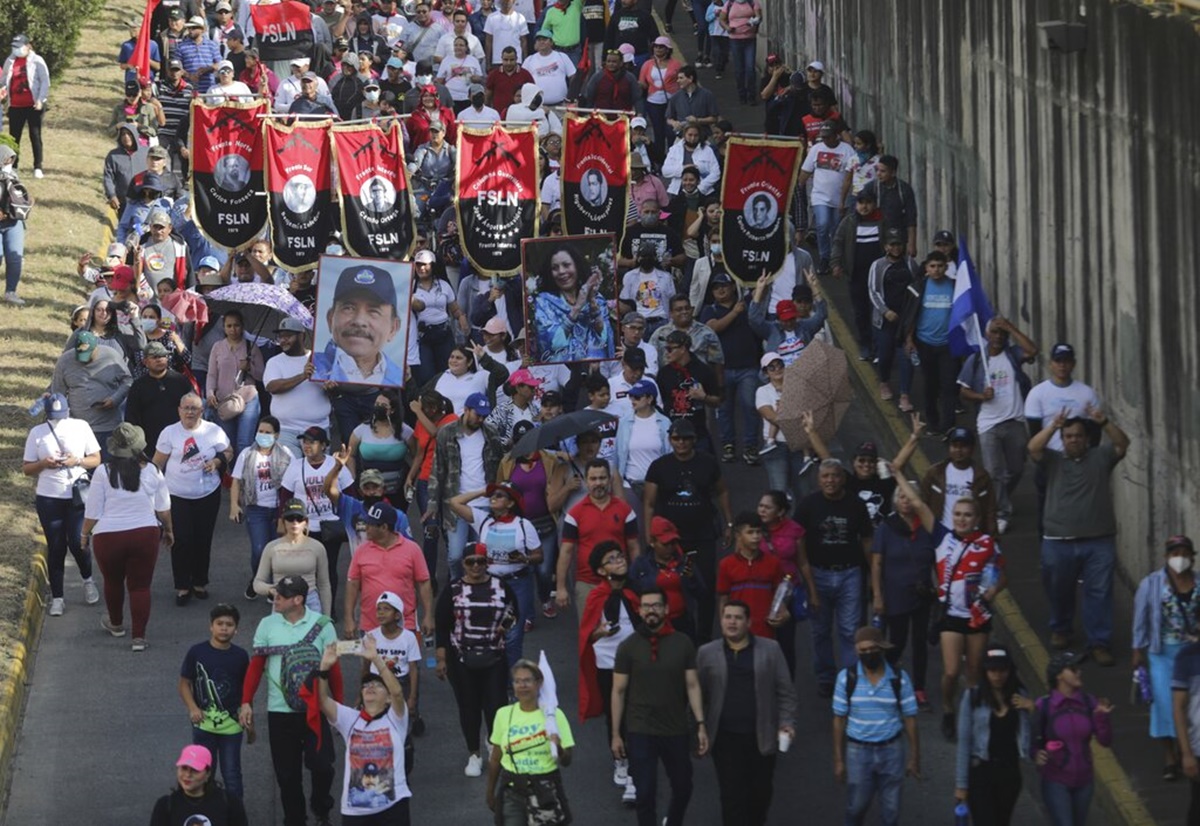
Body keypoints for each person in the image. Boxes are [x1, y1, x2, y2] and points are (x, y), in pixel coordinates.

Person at [894, 470, 1008, 740]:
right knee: (951, 671)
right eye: (957, 514)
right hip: (950, 616)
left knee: (972, 674)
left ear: (977, 519)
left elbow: (1001, 575)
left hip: (977, 617)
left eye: (968, 515)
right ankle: (948, 707)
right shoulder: (942, 537)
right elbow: (920, 505)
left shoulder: (987, 544)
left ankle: (970, 719)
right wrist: (899, 475)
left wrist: (992, 592)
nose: (962, 519)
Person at [1029, 407, 1130, 663]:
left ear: (1087, 438)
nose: (1074, 439)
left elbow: (1122, 444)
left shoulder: (1101, 457)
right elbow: (1033, 448)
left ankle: (1099, 642)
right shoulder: (1053, 460)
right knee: (1058, 589)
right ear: (1062, 440)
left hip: (1099, 541)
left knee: (1099, 592)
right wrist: (1053, 426)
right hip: (1057, 541)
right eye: (1069, 436)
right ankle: (1061, 628)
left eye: (1078, 435)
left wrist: (1105, 422)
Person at [239, 576, 341, 826]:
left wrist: (339, 710)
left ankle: (321, 809)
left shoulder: (324, 624)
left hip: (316, 710)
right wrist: (246, 702)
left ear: (298, 600)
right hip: (279, 712)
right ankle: (295, 820)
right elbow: (256, 666)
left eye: (281, 596)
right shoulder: (267, 624)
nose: (276, 598)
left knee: (323, 767)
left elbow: (334, 670)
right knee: (287, 775)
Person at [611, 586, 708, 826]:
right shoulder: (628, 647)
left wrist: (700, 724)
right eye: (646, 606)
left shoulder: (683, 643)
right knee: (644, 793)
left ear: (666, 609)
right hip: (640, 728)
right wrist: (615, 734)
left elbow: (693, 685)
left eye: (656, 605)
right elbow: (618, 691)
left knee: (683, 786)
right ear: (640, 610)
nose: (650, 610)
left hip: (675, 728)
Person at [697, 600, 796, 826]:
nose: (732, 622)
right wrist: (698, 728)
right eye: (727, 617)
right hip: (725, 738)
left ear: (749, 622)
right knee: (732, 796)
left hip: (761, 735)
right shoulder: (706, 653)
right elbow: (698, 695)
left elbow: (786, 691)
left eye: (738, 617)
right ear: (721, 621)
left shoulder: (771, 649)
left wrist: (787, 722)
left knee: (760, 794)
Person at [83, 423, 173, 652]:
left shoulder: (103, 472)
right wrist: (169, 530)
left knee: (112, 582)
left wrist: (84, 534)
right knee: (140, 587)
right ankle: (139, 638)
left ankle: (116, 624)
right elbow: (163, 509)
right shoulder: (153, 470)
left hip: (108, 537)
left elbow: (92, 511)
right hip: (145, 534)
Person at [644, 418, 732, 641]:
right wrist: (649, 534)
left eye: (686, 438)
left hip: (703, 535)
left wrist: (729, 523)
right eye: (676, 438)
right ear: (670, 440)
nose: (681, 442)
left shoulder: (708, 463)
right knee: (674, 584)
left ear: (694, 440)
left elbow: (722, 492)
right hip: (671, 540)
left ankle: (703, 636)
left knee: (706, 585)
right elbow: (649, 503)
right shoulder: (659, 466)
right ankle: (678, 632)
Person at [434, 544, 519, 778]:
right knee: (469, 706)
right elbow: (442, 624)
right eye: (470, 561)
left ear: (487, 562)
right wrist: (441, 658)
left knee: (496, 705)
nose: (475, 566)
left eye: (480, 561)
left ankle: (493, 743)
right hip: (461, 658)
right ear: (463, 564)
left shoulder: (500, 586)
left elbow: (514, 611)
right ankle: (474, 754)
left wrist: (504, 627)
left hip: (494, 655)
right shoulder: (453, 590)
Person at [796, 460, 874, 697]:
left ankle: (851, 678)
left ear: (843, 478)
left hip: (850, 573)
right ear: (819, 480)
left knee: (850, 630)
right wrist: (806, 577)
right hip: (818, 574)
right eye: (825, 476)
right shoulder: (808, 505)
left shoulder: (856, 505)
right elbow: (797, 540)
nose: (830, 480)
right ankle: (826, 677)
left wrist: (872, 575)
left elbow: (867, 540)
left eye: (835, 476)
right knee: (820, 630)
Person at [316, 635, 414, 824]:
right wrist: (324, 668)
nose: (370, 687)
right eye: (366, 685)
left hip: (393, 806)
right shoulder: (350, 719)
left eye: (377, 685)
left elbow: (398, 692)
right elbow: (322, 701)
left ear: (387, 699)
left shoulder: (395, 718)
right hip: (355, 811)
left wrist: (375, 658)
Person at [832, 625, 921, 825]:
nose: (868, 654)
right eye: (863, 651)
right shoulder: (846, 679)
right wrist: (839, 760)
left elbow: (910, 719)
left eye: (873, 649)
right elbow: (839, 719)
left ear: (881, 649)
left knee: (891, 811)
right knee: (856, 806)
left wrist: (915, 757)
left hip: (892, 750)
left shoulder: (899, 679)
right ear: (856, 651)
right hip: (858, 751)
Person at [957, 316, 1038, 534]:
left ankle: (996, 496)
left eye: (1002, 333)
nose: (998, 337)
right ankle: (1001, 512)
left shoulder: (1012, 355)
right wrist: (981, 396)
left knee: (1016, 468)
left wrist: (1011, 326)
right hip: (988, 424)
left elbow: (1032, 351)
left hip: (1014, 421)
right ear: (986, 334)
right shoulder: (975, 360)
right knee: (993, 471)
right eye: (994, 332)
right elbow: (963, 391)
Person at [22, 393, 101, 617]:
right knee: (56, 546)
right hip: (49, 497)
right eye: (53, 416)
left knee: (78, 542)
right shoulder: (37, 433)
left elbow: (96, 458)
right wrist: (44, 463)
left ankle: (88, 579)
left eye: (61, 415)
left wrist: (76, 460)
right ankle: (58, 597)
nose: (58, 420)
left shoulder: (81, 426)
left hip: (76, 495)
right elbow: (27, 469)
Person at [153, 393, 232, 606]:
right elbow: (157, 464)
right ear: (179, 410)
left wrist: (217, 461)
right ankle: (182, 586)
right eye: (186, 407)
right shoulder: (169, 433)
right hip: (177, 495)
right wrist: (151, 493)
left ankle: (199, 582)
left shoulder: (213, 431)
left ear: (202, 411)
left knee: (202, 539)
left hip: (207, 494)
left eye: (194, 408)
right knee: (181, 540)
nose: (190, 412)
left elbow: (229, 452)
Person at [1133, 535, 1200, 780]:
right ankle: (1171, 756)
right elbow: (1141, 618)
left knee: (1191, 704)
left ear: (1192, 557)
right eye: (1174, 553)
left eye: (1184, 553)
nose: (1179, 558)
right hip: (1162, 654)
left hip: (1192, 654)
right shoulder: (1151, 585)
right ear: (1166, 557)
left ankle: (1189, 751)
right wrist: (1137, 650)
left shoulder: (1198, 583)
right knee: (1164, 704)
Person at [870, 479, 936, 711]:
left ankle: (919, 688)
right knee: (895, 642)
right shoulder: (886, 528)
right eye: (901, 497)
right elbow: (877, 564)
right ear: (895, 501)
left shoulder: (927, 527)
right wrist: (877, 595)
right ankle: (887, 683)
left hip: (922, 595)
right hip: (895, 595)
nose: (905, 501)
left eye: (909, 497)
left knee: (920, 643)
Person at [427, 391, 505, 583]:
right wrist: (432, 505)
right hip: (456, 503)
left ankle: (480, 590)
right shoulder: (447, 433)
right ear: (466, 410)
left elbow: (500, 465)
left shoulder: (491, 433)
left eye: (483, 415)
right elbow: (438, 470)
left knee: (483, 556)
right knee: (455, 556)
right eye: (477, 414)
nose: (480, 419)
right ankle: (457, 585)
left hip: (486, 503)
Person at [486, 658, 575, 825]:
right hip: (512, 792)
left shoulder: (555, 716)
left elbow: (567, 760)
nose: (522, 686)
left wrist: (559, 749)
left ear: (539, 683)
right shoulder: (503, 715)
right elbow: (496, 758)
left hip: (545, 790)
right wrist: (490, 792)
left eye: (527, 680)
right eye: (517, 681)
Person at [954, 643, 1034, 826]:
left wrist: (1032, 709)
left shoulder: (1020, 696)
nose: (998, 676)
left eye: (1002, 670)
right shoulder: (973, 697)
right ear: (985, 672)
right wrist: (961, 785)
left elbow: (1029, 734)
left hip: (1009, 773)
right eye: (992, 670)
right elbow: (964, 742)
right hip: (981, 772)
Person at [1032, 652, 1114, 826]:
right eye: (1073, 669)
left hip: (1085, 781)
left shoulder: (1088, 701)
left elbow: (1105, 741)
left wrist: (1101, 718)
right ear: (1059, 675)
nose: (1079, 672)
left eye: (1079, 668)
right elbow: (1032, 741)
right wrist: (1037, 754)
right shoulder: (1044, 705)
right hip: (1056, 780)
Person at [178, 604, 251, 799]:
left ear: (236, 629)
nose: (224, 628)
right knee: (203, 773)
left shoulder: (241, 656)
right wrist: (192, 708)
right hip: (203, 725)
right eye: (219, 623)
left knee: (232, 774)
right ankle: (208, 813)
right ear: (211, 626)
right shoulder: (197, 652)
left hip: (232, 727)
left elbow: (247, 689)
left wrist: (247, 711)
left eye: (229, 624)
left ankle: (236, 817)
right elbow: (184, 684)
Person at [281, 426, 353, 618]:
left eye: (312, 442)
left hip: (331, 525)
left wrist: (351, 520)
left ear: (323, 445)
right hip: (304, 529)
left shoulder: (335, 464)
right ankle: (305, 609)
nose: (307, 445)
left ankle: (329, 610)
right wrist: (283, 523)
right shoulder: (296, 466)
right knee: (305, 569)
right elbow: (285, 496)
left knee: (328, 570)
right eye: (304, 441)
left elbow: (351, 493)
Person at [345, 500, 435, 648]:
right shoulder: (361, 551)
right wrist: (349, 618)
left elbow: (424, 582)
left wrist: (428, 616)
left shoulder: (412, 549)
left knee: (407, 669)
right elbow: (352, 583)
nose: (365, 528)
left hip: (405, 624)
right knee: (369, 670)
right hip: (370, 625)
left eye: (370, 524)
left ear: (384, 527)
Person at [557, 458, 640, 610]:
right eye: (593, 478)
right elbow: (566, 551)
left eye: (602, 478)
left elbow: (634, 547)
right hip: (587, 583)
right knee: (589, 632)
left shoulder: (625, 510)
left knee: (623, 631)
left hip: (620, 581)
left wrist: (638, 578)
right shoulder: (574, 514)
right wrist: (561, 587)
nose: (598, 483)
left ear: (609, 480)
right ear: (586, 481)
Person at [230, 416, 295, 599]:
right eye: (261, 431)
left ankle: (273, 588)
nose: (263, 435)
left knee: (277, 550)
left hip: (278, 510)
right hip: (256, 508)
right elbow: (236, 481)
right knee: (259, 550)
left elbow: (293, 481)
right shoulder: (246, 454)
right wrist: (234, 505)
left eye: (268, 432)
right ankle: (257, 580)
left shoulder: (286, 454)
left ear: (277, 435)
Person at [313, 263, 405, 386]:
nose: (359, 321)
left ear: (393, 328)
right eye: (349, 308)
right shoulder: (311, 370)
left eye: (373, 311)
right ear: (330, 319)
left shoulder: (399, 380)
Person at [50, 329, 133, 453]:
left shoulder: (111, 355)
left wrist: (115, 399)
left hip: (107, 426)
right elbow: (58, 393)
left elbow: (128, 380)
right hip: (77, 427)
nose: (84, 359)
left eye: (88, 354)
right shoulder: (65, 361)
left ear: (96, 348)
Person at [531, 242, 614, 363]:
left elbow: (604, 339)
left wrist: (592, 303)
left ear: (576, 266)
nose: (561, 271)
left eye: (566, 265)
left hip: (596, 369)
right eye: (555, 268)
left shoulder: (597, 299)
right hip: (562, 371)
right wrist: (577, 307)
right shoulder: (544, 302)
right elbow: (554, 344)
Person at [902, 252, 957, 434]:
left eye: (940, 266)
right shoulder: (918, 288)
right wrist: (909, 340)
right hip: (925, 344)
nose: (936, 270)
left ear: (946, 267)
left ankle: (948, 426)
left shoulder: (955, 287)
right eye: (932, 266)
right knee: (930, 386)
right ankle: (933, 423)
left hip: (948, 345)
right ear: (926, 268)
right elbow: (910, 315)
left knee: (949, 386)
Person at [262, 317, 333, 457]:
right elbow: (272, 387)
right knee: (289, 473)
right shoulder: (274, 362)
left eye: (288, 336)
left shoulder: (320, 359)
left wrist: (333, 388)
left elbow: (335, 389)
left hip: (318, 428)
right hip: (286, 430)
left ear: (302, 336)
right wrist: (302, 376)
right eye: (280, 336)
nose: (283, 340)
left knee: (317, 474)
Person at [867, 228, 920, 407]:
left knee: (906, 355)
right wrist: (885, 311)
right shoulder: (878, 265)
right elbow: (873, 291)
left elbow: (917, 288)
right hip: (885, 322)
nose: (896, 248)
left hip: (906, 321)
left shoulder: (911, 264)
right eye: (892, 244)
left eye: (899, 244)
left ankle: (905, 394)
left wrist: (911, 315)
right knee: (885, 355)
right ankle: (884, 382)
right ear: (886, 246)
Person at [254, 499, 333, 615]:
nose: (295, 522)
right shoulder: (271, 548)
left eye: (299, 519)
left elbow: (324, 584)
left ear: (306, 522)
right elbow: (257, 583)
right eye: (290, 519)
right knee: (279, 634)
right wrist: (271, 589)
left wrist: (326, 617)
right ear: (284, 521)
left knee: (312, 633)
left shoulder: (317, 547)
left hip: (310, 601)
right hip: (281, 600)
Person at [716, 512, 788, 639]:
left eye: (758, 532)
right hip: (737, 631)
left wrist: (784, 613)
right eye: (750, 532)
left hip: (765, 630)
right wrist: (724, 624)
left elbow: (779, 594)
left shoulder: (773, 563)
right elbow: (723, 599)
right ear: (738, 535)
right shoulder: (726, 565)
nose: (755, 537)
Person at [797, 121, 856, 271]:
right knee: (822, 225)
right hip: (819, 196)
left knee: (835, 230)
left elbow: (852, 174)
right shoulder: (816, 149)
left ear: (836, 136)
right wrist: (798, 187)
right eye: (823, 137)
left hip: (839, 198)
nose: (825, 140)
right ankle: (824, 257)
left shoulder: (847, 150)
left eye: (828, 137)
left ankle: (835, 259)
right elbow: (806, 171)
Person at [206, 309, 264, 459]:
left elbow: (263, 375)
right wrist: (210, 393)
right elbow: (212, 374)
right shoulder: (217, 347)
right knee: (227, 444)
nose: (233, 329)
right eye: (229, 326)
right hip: (224, 400)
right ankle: (230, 477)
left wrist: (250, 367)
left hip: (248, 398)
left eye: (236, 325)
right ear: (224, 327)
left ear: (242, 326)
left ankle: (244, 477)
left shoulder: (251, 346)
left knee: (244, 442)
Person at [920, 426, 999, 536]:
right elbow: (923, 503)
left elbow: (990, 510)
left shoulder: (982, 476)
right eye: (954, 446)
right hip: (941, 535)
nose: (958, 450)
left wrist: (993, 538)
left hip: (971, 537)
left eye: (963, 446)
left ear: (972, 448)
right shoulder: (935, 473)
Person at [345, 390, 415, 508]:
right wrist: (353, 477)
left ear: (392, 410)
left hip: (397, 489)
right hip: (369, 489)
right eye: (377, 404)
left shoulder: (405, 431)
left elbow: (416, 456)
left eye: (383, 406)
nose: (378, 408)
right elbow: (350, 454)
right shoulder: (362, 429)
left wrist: (411, 478)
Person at [148, 744, 248, 826]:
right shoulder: (165, 806)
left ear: (208, 774)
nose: (187, 775)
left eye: (195, 770)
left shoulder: (230, 802)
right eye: (184, 768)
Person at [2, 35, 50, 178]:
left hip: (33, 105)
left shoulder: (37, 60)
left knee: (34, 135)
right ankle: (12, 166)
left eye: (19, 46)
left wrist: (41, 100)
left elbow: (45, 82)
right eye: (14, 46)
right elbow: (4, 79)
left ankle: (37, 166)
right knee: (14, 137)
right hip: (15, 105)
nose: (16, 49)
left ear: (28, 45)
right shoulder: (10, 60)